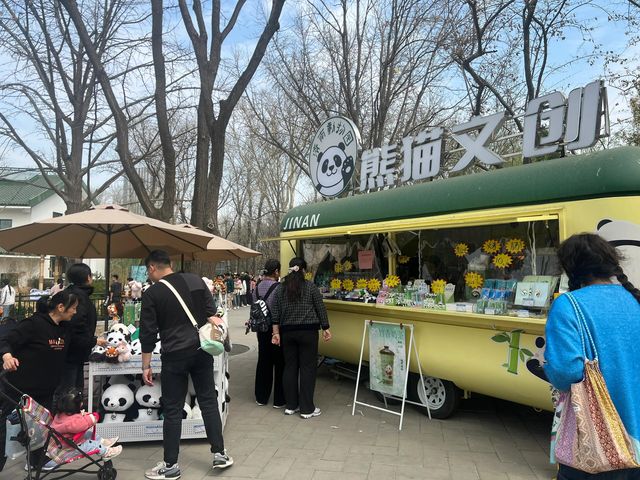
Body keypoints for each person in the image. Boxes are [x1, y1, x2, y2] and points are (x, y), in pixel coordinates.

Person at [544, 233, 640, 480]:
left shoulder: (569, 305)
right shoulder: (634, 300)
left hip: (597, 444)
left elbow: (566, 372)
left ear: (570, 269)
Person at [140, 250, 232, 479]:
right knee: (208, 400)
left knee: (172, 409)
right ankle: (220, 454)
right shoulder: (196, 280)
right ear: (169, 263)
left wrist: (146, 365)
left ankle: (170, 465)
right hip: (202, 350)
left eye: (147, 271)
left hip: (174, 355)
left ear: (152, 267)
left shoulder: (153, 294)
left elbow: (148, 333)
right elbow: (213, 315)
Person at [0, 290, 80, 471]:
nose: (75, 312)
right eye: (73, 308)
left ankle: (36, 461)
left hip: (46, 390)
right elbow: (6, 340)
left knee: (40, 430)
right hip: (19, 390)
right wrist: (7, 356)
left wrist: (97, 341)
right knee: (6, 430)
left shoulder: (65, 328)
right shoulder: (33, 324)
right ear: (60, 307)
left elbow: (79, 342)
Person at [271, 257, 332, 419]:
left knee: (290, 367)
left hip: (287, 333)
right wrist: (326, 328)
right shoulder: (311, 287)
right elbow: (320, 307)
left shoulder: (280, 289)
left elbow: (275, 312)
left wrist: (275, 332)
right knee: (307, 369)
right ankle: (307, 409)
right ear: (304, 270)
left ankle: (291, 406)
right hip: (308, 333)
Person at [43, 386, 122, 469]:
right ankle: (106, 453)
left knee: (88, 434)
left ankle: (103, 442)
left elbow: (78, 421)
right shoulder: (73, 423)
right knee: (91, 445)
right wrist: (95, 416)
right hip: (62, 454)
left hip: (61, 445)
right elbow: (87, 422)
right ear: (79, 405)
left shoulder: (60, 414)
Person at [62, 263, 104, 391]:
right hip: (73, 350)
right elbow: (76, 325)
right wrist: (93, 341)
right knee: (70, 388)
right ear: (88, 277)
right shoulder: (77, 297)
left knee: (72, 385)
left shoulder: (73, 293)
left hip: (73, 349)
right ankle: (69, 409)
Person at [253, 260, 285, 408]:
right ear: (276, 272)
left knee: (263, 361)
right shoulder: (279, 288)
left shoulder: (257, 287)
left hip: (261, 329)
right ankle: (279, 400)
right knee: (280, 363)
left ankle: (261, 397)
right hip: (276, 330)